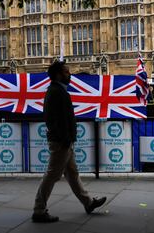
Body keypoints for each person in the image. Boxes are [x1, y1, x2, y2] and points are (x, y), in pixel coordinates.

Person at [32, 61, 106, 223]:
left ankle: (88, 203)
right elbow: (55, 120)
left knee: (72, 174)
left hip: (64, 141)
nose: (69, 74)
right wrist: (65, 139)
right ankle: (39, 210)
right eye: (66, 72)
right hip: (61, 142)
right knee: (52, 175)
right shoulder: (57, 92)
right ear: (58, 74)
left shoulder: (57, 90)